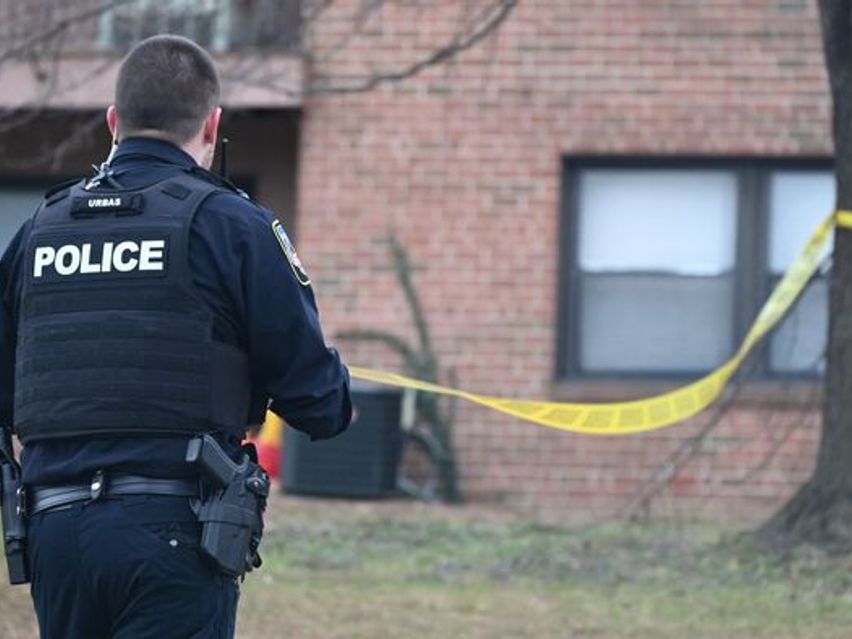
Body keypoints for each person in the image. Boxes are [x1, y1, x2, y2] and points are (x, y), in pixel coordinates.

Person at [0, 35, 351, 638]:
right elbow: (318, 402)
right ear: (211, 124)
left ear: (113, 122)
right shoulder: (232, 225)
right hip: (176, 530)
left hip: (56, 534)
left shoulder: (39, 230)